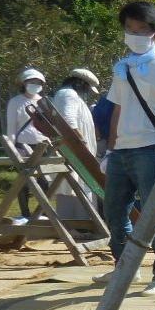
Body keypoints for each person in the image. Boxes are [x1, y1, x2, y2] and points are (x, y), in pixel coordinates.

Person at [95, 1, 155, 295]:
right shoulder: (121, 68)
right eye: (130, 28)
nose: (134, 34)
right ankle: (125, 267)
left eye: (141, 28)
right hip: (122, 152)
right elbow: (117, 108)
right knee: (114, 210)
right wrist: (111, 148)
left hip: (151, 148)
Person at [52, 68, 100, 223]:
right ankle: (77, 225)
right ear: (80, 83)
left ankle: (82, 223)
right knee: (75, 187)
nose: (87, 92)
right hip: (76, 150)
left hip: (78, 149)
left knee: (80, 186)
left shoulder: (70, 95)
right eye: (87, 87)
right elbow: (69, 120)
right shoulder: (68, 94)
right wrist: (81, 143)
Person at [5, 68, 50, 222]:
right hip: (22, 145)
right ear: (24, 83)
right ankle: (25, 213)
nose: (35, 84)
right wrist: (12, 149)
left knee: (45, 182)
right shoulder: (15, 102)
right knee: (24, 181)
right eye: (32, 82)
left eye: (38, 82)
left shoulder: (43, 102)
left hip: (43, 144)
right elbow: (11, 128)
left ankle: (43, 213)